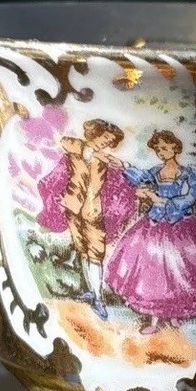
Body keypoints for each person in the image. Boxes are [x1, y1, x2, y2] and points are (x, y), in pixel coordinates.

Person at [104, 130, 196, 334]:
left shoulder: (189, 174)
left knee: (179, 270)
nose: (161, 152)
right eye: (158, 149)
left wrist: (161, 201)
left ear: (175, 148)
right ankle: (155, 320)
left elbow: (188, 199)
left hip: (180, 225)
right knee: (153, 271)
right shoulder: (156, 171)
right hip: (154, 223)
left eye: (165, 148)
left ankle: (175, 314)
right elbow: (141, 177)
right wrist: (124, 166)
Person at [36, 119, 135, 320]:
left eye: (109, 142)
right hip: (73, 206)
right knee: (82, 247)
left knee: (96, 251)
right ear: (95, 134)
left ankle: (98, 298)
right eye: (104, 138)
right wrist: (87, 149)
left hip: (93, 210)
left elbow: (123, 175)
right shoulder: (78, 149)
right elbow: (63, 141)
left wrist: (122, 165)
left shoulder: (104, 159)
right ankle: (90, 290)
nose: (104, 144)